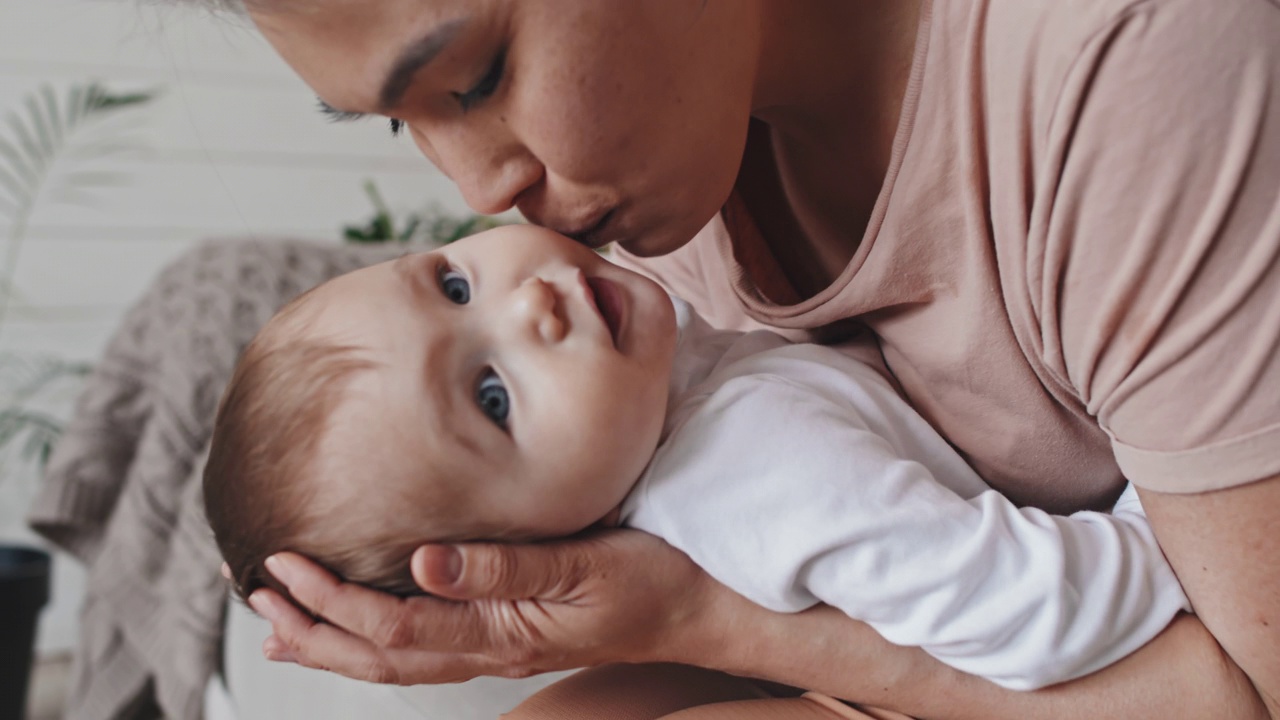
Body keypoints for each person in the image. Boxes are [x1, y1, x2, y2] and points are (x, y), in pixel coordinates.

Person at [189, 0, 1280, 718]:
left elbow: (1224, 689)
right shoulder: (654, 233)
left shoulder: (1124, 53)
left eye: (474, 80)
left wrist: (691, 617)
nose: (478, 192)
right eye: (395, 121)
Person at [203, 224, 1187, 700]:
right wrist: (1172, 493)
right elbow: (1039, 616)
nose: (527, 304)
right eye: (493, 400)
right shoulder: (756, 477)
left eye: (453, 282)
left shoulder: (658, 382)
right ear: (545, 546)